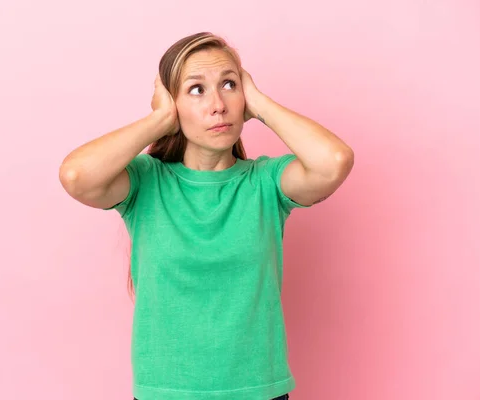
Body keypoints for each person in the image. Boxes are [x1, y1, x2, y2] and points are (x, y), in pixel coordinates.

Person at [59, 32, 354, 400]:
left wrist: (259, 104)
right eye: (196, 90)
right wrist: (160, 119)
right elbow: (76, 176)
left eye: (229, 84)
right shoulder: (147, 182)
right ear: (172, 103)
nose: (218, 104)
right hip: (165, 393)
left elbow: (334, 162)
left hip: (259, 392)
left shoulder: (265, 183)